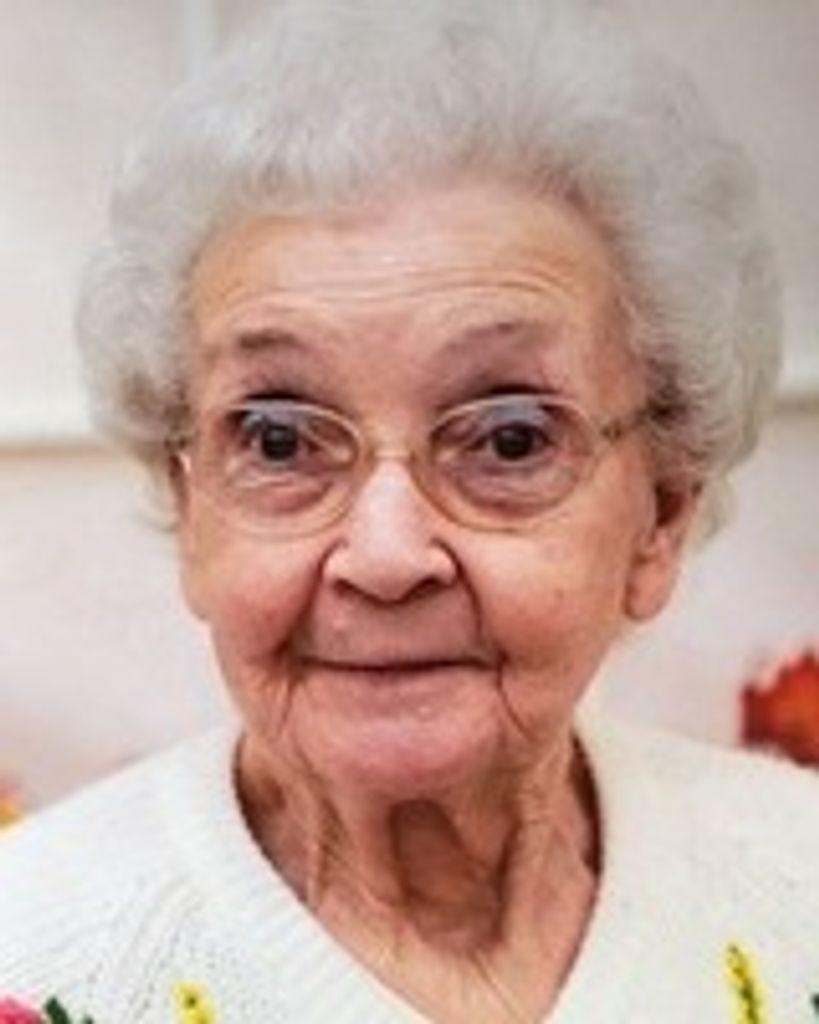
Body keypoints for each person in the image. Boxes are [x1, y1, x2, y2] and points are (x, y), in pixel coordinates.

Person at [1, 2, 817, 1021]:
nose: (386, 555)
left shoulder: (801, 883)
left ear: (660, 515)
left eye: (510, 438)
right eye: (278, 439)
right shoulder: (30, 952)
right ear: (190, 506)